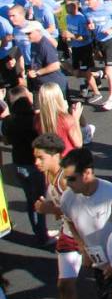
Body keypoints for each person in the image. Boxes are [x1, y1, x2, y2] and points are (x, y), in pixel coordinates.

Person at [59, 148, 112, 299]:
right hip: (102, 271)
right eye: (65, 178)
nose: (67, 183)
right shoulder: (67, 199)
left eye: (72, 178)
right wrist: (82, 247)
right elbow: (69, 221)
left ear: (87, 173)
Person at [32, 133, 82, 299]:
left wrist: (49, 209)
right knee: (65, 286)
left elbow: (79, 209)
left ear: (55, 156)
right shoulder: (49, 174)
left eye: (40, 158)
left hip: (87, 236)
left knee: (110, 282)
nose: (36, 162)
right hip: (69, 234)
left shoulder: (65, 179)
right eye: (35, 157)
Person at [1, 86, 48, 244]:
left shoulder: (9, 121)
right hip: (34, 165)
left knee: (30, 200)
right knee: (40, 200)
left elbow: (6, 140)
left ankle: (39, 232)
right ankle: (43, 236)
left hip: (19, 163)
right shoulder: (34, 120)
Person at [38, 82, 85, 155]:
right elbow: (78, 144)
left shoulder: (38, 118)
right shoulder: (66, 119)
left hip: (50, 158)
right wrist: (76, 119)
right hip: (67, 158)